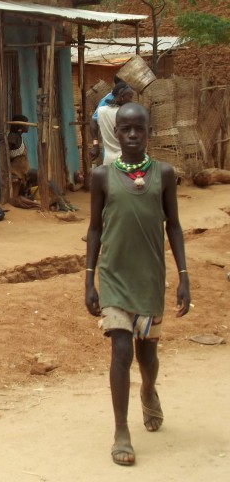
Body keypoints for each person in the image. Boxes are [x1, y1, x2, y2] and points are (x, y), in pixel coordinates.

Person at [84, 102, 191, 467]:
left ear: (148, 131)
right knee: (121, 351)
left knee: (148, 355)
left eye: (138, 129)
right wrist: (88, 280)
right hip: (113, 276)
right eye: (125, 129)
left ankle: (148, 388)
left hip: (150, 278)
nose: (131, 135)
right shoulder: (102, 176)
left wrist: (184, 277)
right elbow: (95, 229)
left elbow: (173, 226)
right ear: (117, 132)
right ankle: (121, 432)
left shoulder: (163, 174)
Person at [90, 81, 134, 165]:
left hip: (109, 156)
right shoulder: (127, 113)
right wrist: (95, 144)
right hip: (123, 156)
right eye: (130, 97)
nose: (131, 101)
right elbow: (93, 120)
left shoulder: (102, 111)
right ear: (122, 97)